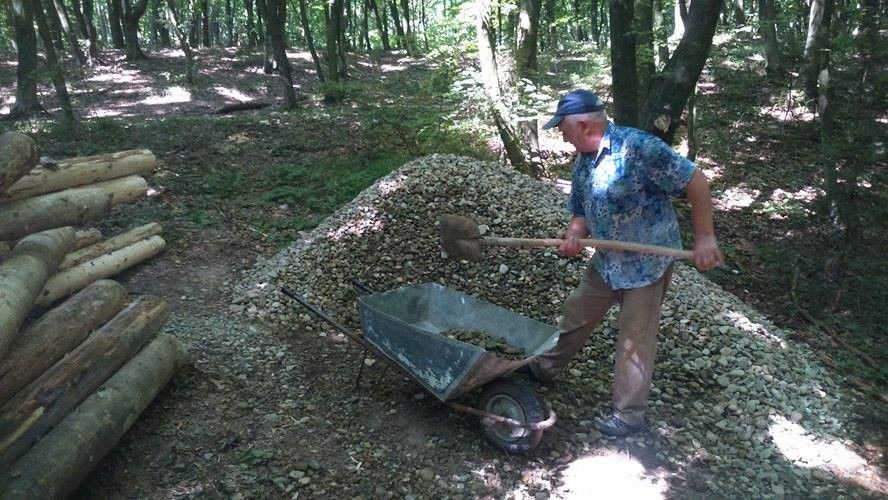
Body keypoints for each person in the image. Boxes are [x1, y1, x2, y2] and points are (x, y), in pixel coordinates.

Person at [525, 89, 724, 437]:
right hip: (607, 262)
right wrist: (574, 233)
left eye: (564, 129)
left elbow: (695, 180)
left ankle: (629, 416)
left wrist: (705, 237)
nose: (562, 135)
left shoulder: (639, 148)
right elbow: (579, 208)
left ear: (584, 125)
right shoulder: (584, 160)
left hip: (647, 266)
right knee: (576, 312)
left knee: (634, 339)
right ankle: (544, 369)